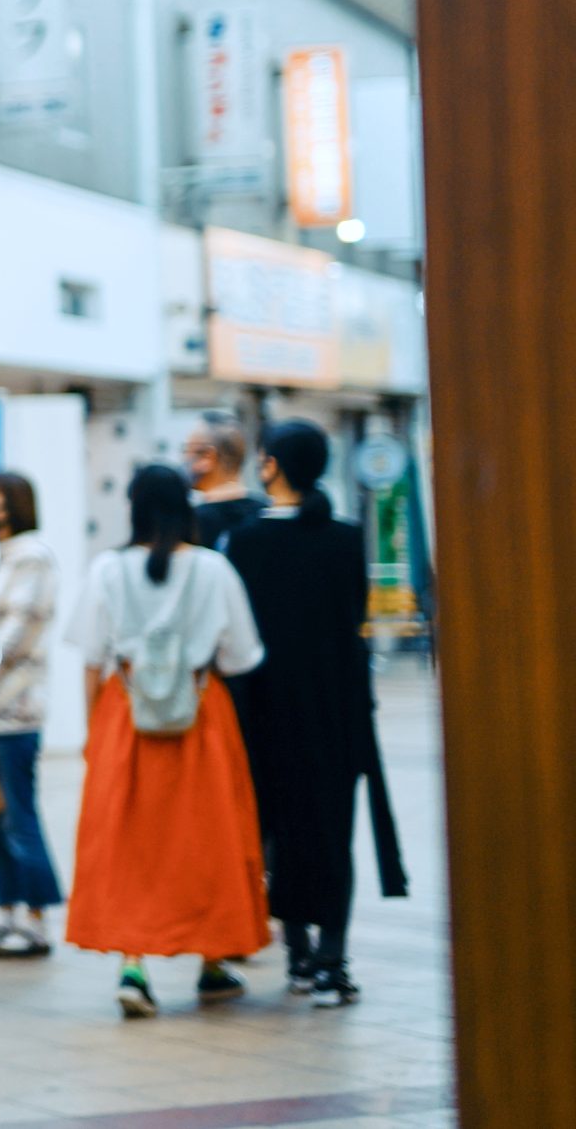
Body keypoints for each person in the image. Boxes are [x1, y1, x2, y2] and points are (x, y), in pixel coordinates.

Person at [61, 464, 269, 1020]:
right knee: (208, 839)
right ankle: (211, 962)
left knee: (129, 843)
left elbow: (90, 658)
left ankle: (134, 965)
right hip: (202, 717)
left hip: (125, 718)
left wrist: (90, 733)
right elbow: (240, 656)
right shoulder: (213, 569)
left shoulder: (107, 569)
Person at [226, 420, 407, 1008]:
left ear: (272, 465)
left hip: (266, 713)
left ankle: (300, 956)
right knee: (332, 834)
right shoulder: (346, 538)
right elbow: (352, 620)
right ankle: (333, 957)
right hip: (336, 711)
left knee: (277, 831)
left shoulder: (246, 542)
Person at [0, 472, 62, 959]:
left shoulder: (33, 556)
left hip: (14, 712)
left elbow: (12, 638)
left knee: (18, 818)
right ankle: (6, 912)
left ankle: (36, 919)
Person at [184, 417, 264, 556]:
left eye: (187, 450)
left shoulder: (190, 521)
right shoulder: (265, 511)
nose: (184, 458)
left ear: (208, 457)